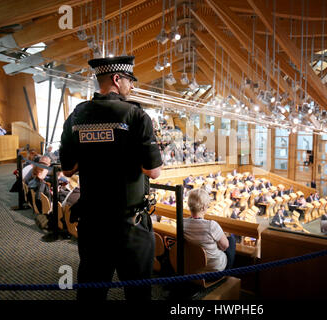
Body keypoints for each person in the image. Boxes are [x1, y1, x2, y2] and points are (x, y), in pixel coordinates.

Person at [59, 55, 163, 301]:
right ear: (117, 79)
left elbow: (68, 169)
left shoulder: (76, 116)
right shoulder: (137, 116)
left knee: (92, 292)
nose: (133, 86)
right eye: (130, 80)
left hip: (93, 222)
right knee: (138, 294)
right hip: (130, 225)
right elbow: (153, 171)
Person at [183, 189, 235, 271]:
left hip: (193, 267)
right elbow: (225, 246)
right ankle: (228, 275)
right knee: (231, 239)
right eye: (208, 205)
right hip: (213, 271)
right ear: (203, 207)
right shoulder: (211, 225)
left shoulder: (182, 223)